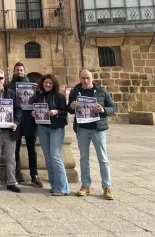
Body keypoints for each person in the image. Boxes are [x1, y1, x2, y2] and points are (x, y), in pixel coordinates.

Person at [68, 68, 116, 200]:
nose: (86, 80)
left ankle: (107, 187)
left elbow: (113, 108)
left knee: (103, 158)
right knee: (84, 158)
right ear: (79, 78)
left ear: (92, 78)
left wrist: (103, 109)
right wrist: (71, 106)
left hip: (98, 129)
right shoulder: (75, 92)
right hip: (82, 129)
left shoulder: (101, 91)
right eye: (83, 78)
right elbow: (69, 109)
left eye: (88, 78)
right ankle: (85, 185)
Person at [32, 74, 69, 196]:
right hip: (42, 128)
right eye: (46, 82)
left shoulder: (59, 96)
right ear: (42, 83)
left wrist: (57, 111)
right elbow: (35, 107)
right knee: (48, 158)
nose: (47, 85)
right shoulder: (39, 96)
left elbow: (65, 112)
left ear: (54, 84)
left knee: (55, 157)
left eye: (50, 83)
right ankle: (54, 185)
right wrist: (35, 113)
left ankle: (62, 188)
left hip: (56, 128)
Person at [10, 62, 42, 187]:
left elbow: (38, 100)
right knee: (15, 149)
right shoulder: (10, 86)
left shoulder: (32, 86)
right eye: (17, 70)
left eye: (21, 70)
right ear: (14, 71)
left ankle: (34, 176)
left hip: (30, 120)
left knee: (32, 149)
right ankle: (17, 174)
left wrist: (38, 90)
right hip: (16, 121)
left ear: (24, 71)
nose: (19, 72)